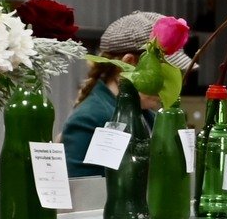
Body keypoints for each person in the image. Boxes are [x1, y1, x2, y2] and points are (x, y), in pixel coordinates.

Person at [58, 10, 192, 176]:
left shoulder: (148, 116)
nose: (168, 84)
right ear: (128, 63)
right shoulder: (89, 119)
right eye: (162, 72)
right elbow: (82, 195)